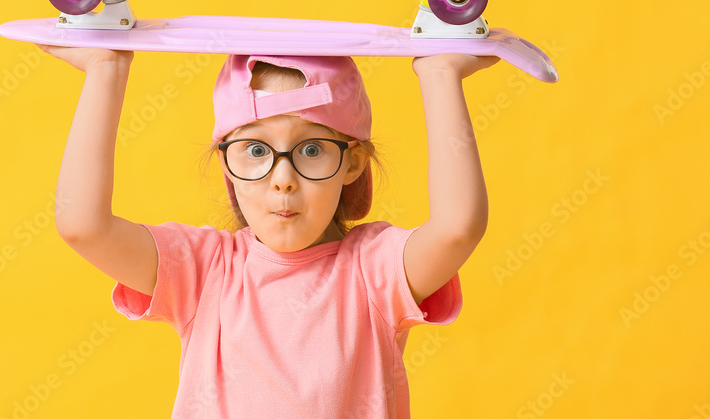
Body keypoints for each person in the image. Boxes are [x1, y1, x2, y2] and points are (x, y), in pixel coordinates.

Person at [38, 44, 498, 418]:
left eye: (312, 149)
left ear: (353, 163)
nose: (283, 178)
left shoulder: (374, 271)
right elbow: (82, 225)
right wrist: (106, 69)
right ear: (226, 162)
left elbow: (458, 227)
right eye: (256, 149)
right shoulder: (204, 271)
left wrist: (440, 75)